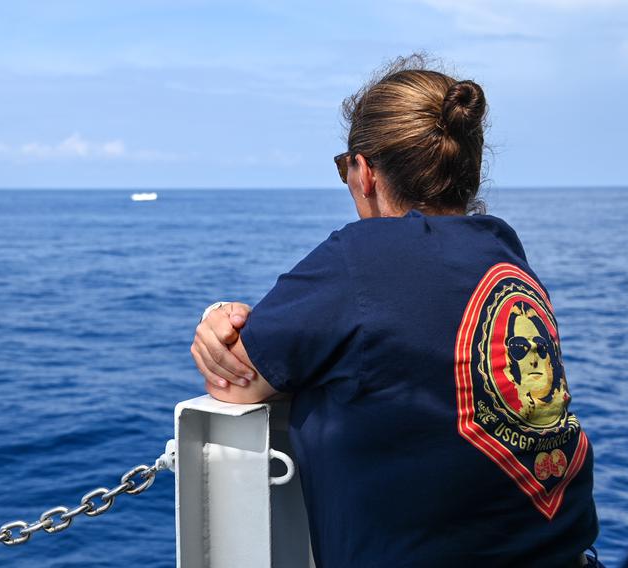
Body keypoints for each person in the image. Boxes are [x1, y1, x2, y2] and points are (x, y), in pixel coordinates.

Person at [190, 54, 600, 567]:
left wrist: (217, 316)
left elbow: (235, 378)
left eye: (345, 168)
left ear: (364, 172)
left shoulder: (362, 255)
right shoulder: (504, 251)